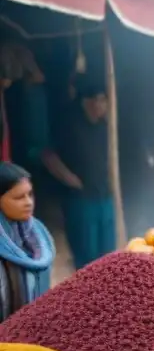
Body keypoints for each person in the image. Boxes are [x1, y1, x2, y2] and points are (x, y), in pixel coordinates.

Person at [43, 80, 114, 270]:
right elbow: (48, 155)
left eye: (104, 100)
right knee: (87, 257)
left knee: (109, 253)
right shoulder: (68, 125)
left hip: (104, 195)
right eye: (97, 100)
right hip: (80, 199)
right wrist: (69, 179)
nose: (101, 105)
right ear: (85, 102)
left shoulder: (105, 126)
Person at [0, 163, 55, 321]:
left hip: (36, 329)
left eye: (30, 195)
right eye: (18, 197)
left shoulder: (40, 236)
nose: (28, 202)